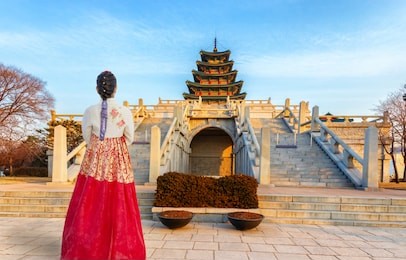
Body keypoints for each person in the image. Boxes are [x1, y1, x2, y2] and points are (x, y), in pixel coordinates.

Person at [61, 71, 146, 260]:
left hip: (96, 157)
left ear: (97, 89)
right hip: (118, 157)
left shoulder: (90, 111)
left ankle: (88, 247)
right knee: (120, 201)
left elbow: (87, 137)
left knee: (91, 200)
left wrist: (100, 146)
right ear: (116, 88)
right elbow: (130, 138)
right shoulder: (125, 112)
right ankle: (120, 249)